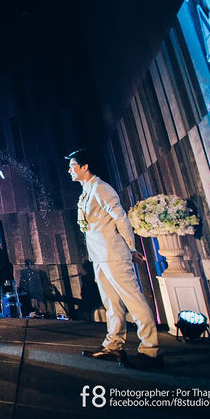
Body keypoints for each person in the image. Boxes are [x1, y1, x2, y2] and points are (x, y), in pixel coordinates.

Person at [67, 149, 162, 369]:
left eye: (72, 166)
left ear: (85, 166)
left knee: (133, 301)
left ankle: (151, 351)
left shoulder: (101, 188)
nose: (69, 170)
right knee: (112, 304)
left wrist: (131, 248)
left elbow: (121, 218)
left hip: (113, 254)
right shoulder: (87, 191)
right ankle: (113, 345)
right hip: (99, 256)